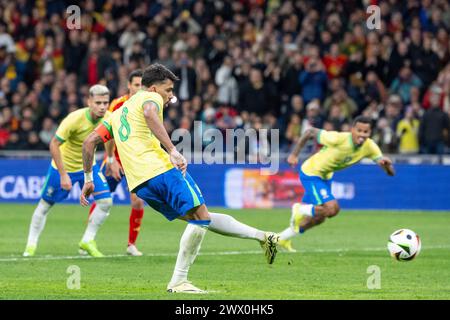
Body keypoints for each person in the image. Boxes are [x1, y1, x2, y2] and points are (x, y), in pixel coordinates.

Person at [80, 64, 279, 293]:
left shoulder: (117, 114)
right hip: (160, 170)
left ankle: (264, 237)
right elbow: (149, 113)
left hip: (140, 184)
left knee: (200, 217)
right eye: (169, 90)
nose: (171, 96)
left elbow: (89, 143)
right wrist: (172, 150)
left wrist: (88, 178)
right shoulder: (149, 98)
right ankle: (179, 281)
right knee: (200, 218)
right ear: (155, 88)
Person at [278, 116, 395, 252]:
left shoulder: (370, 146)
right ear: (352, 130)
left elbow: (390, 172)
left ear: (370, 133)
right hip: (312, 172)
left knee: (320, 217)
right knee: (333, 209)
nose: (362, 135)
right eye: (359, 130)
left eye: (365, 132)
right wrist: (294, 155)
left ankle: (283, 238)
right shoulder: (338, 138)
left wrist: (386, 166)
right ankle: (300, 209)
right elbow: (309, 132)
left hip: (325, 176)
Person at [23, 85, 113, 258]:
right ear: (89, 102)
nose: (102, 106)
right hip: (64, 167)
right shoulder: (74, 119)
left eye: (106, 102)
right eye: (98, 102)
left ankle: (87, 240)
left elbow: (110, 136)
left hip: (89, 166)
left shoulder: (109, 118)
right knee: (44, 206)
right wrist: (64, 175)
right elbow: (54, 144)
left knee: (106, 202)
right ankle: (30, 246)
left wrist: (110, 158)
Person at [87, 69, 147, 256]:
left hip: (134, 161)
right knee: (102, 197)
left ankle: (131, 244)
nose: (138, 88)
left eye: (141, 85)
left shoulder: (147, 105)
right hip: (115, 159)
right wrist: (111, 159)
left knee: (138, 202)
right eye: (135, 84)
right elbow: (109, 131)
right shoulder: (117, 104)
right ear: (129, 85)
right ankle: (88, 239)